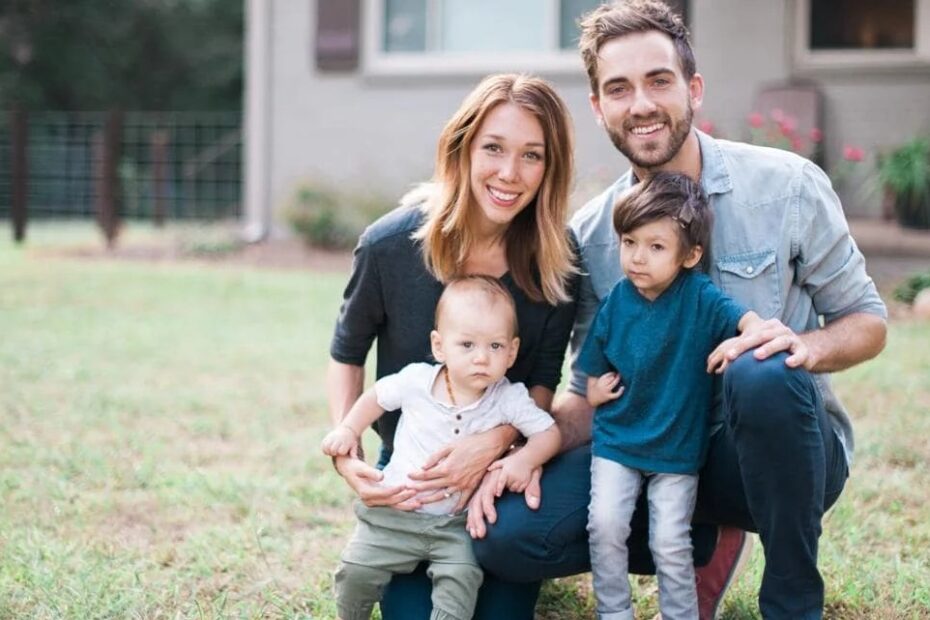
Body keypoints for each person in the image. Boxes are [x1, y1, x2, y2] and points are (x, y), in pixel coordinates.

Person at [468, 2, 887, 619]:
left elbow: (868, 321)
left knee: (760, 367)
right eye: (619, 88)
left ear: (692, 88)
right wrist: (512, 446)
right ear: (598, 107)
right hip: (653, 448)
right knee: (508, 534)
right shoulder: (591, 236)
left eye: (658, 81)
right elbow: (591, 391)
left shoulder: (787, 187)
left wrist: (807, 347)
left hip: (777, 453)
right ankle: (704, 542)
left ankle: (793, 599)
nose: (640, 103)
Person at [327, 73, 579, 618]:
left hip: (504, 465)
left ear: (550, 167)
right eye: (494, 148)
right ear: (462, 147)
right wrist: (349, 454)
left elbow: (540, 383)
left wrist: (493, 447)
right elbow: (347, 354)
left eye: (532, 155)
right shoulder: (390, 245)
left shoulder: (558, 262)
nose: (509, 174)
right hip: (415, 465)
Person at [322, 276, 562, 620]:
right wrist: (348, 429)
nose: (481, 358)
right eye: (467, 345)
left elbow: (549, 434)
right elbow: (376, 397)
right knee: (355, 571)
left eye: (495, 346)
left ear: (512, 352)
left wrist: (524, 459)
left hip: (458, 526)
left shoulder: (509, 398)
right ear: (439, 346)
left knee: (462, 581)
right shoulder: (417, 380)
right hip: (394, 515)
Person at [579, 172, 763, 620]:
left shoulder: (700, 298)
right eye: (629, 242)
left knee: (669, 540)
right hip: (618, 440)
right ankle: (615, 613)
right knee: (603, 527)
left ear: (691, 254)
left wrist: (746, 340)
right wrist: (594, 390)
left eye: (655, 247)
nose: (637, 258)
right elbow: (589, 369)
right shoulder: (617, 300)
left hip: (677, 449)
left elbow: (748, 322)